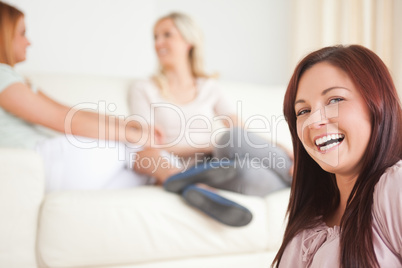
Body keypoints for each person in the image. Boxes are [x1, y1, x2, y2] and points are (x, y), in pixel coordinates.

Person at [129, 12, 293, 226]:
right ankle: (192, 184)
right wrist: (210, 145)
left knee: (234, 144)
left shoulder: (209, 87)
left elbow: (240, 132)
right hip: (181, 166)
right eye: (155, 37)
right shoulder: (144, 89)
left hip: (219, 161)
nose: (158, 43)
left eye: (167, 35)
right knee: (235, 156)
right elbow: (147, 146)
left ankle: (300, 176)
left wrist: (278, 146)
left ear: (189, 41)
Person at [0, 1, 157, 191]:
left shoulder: (13, 79)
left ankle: (185, 181)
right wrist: (132, 134)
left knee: (144, 174)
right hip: (43, 163)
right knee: (134, 148)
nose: (29, 42)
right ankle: (180, 174)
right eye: (22, 33)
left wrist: (128, 125)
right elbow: (65, 120)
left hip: (52, 170)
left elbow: (68, 112)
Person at [273, 45, 402, 267]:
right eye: (303, 111)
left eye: (335, 100)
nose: (314, 121)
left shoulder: (395, 188)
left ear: (377, 104)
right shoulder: (308, 219)